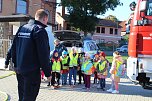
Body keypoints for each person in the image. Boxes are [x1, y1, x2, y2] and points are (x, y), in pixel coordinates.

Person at [11, 9, 52, 101]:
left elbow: (13, 48)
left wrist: (15, 65)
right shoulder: (40, 31)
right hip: (31, 72)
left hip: (20, 70)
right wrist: (48, 73)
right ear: (45, 18)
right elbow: (44, 55)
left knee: (21, 97)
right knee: (29, 97)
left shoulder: (23, 28)